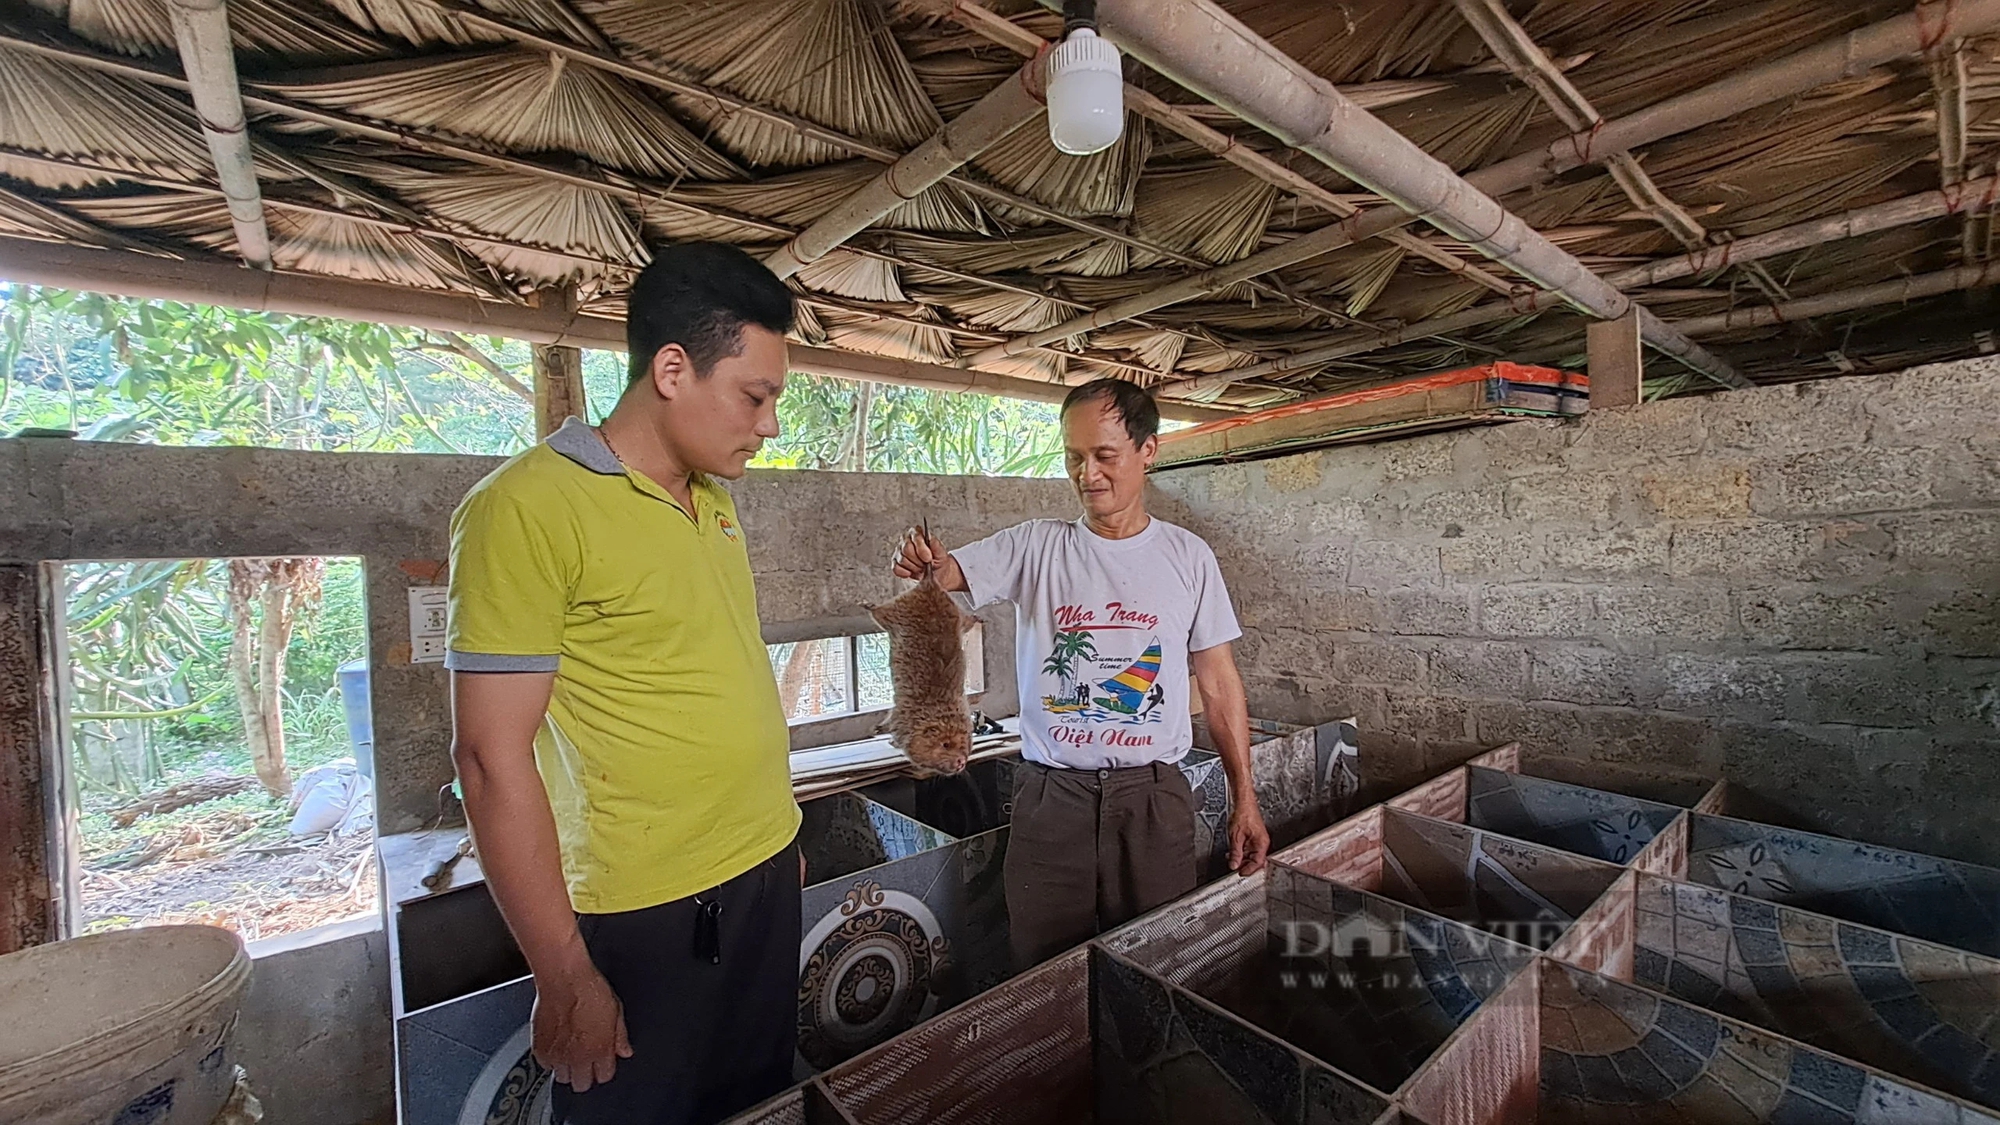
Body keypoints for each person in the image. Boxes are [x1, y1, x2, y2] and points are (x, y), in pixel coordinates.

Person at [445, 242, 802, 1125]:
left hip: (760, 874)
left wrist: (775, 837)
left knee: (758, 1101)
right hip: (646, 908)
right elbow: (490, 758)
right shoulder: (524, 508)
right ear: (673, 369)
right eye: (755, 397)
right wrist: (563, 974)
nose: (768, 425)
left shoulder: (713, 499)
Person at [894, 378, 1270, 969]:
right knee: (1043, 969)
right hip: (1052, 800)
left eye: (1104, 456)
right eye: (1074, 457)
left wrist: (1244, 797)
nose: (1086, 473)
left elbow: (1220, 685)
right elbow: (940, 575)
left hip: (1152, 799)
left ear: (1148, 450)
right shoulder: (1034, 548)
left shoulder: (1188, 557)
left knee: (1159, 964)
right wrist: (920, 562)